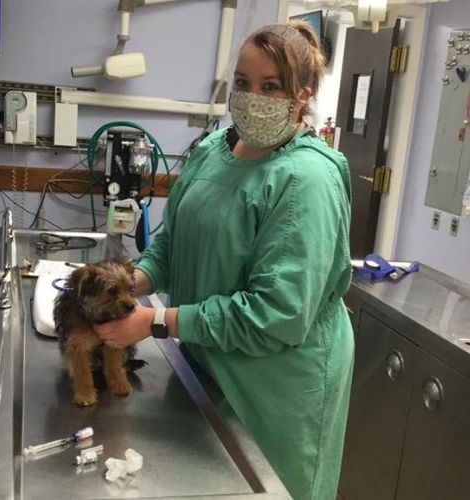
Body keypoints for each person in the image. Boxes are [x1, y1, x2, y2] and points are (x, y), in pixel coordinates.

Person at [95, 21, 354, 500]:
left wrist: (156, 322)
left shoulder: (307, 181)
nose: (251, 96)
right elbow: (176, 239)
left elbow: (276, 313)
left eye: (270, 87)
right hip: (209, 360)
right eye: (242, 83)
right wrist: (131, 281)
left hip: (274, 387)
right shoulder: (215, 149)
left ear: (302, 95)